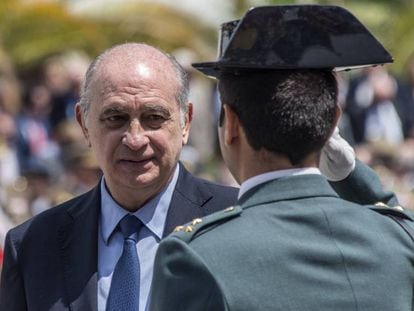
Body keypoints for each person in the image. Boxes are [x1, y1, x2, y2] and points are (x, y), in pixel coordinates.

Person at [150, 6, 414, 311]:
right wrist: (353, 178)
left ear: (231, 123)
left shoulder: (197, 256)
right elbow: (399, 220)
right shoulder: (400, 239)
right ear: (333, 124)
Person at [0, 43, 238, 311]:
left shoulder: (238, 223)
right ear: (84, 125)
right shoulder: (32, 246)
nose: (135, 139)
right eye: (115, 118)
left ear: (186, 122)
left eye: (154, 117)